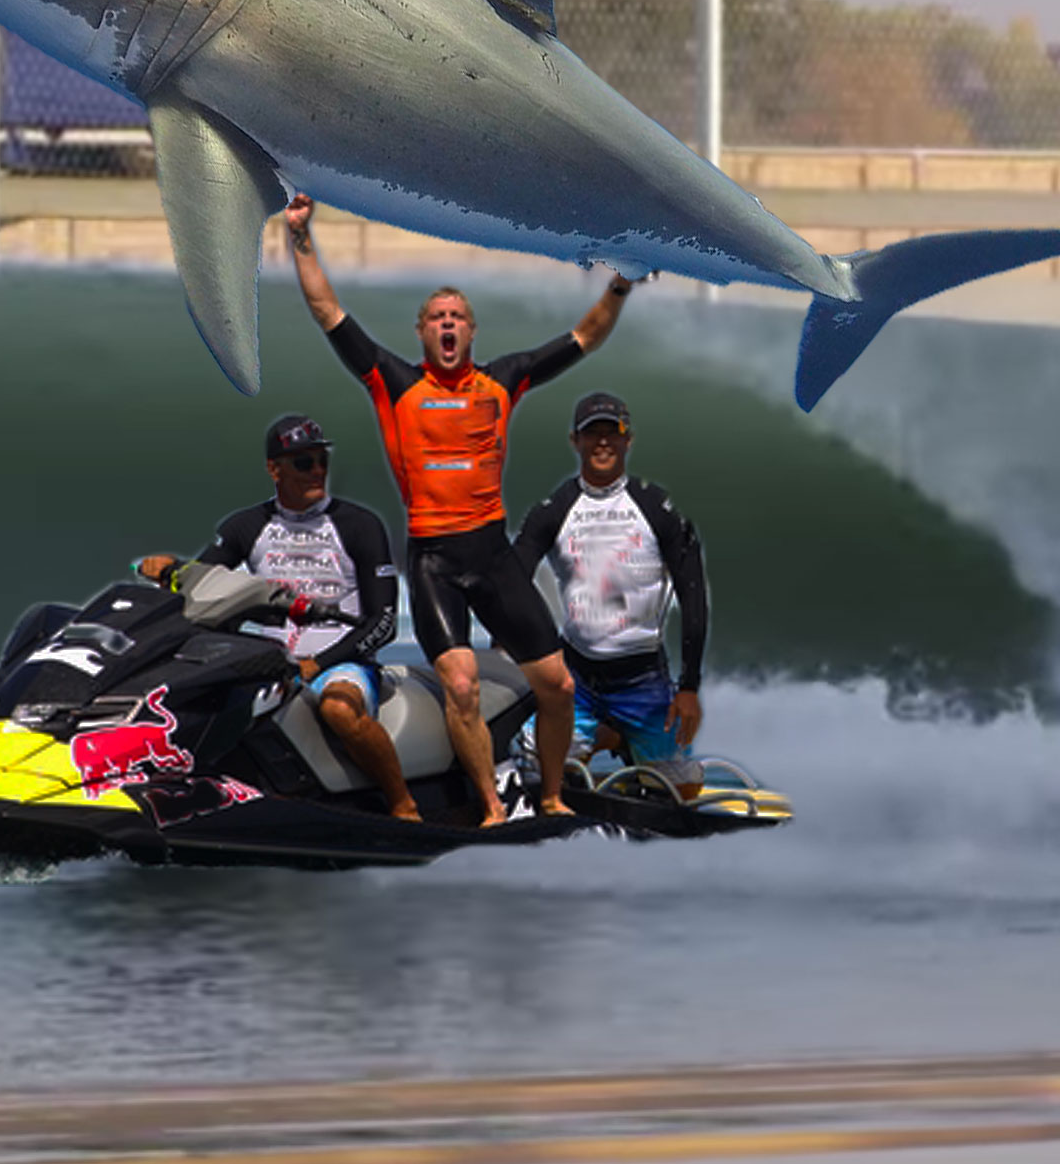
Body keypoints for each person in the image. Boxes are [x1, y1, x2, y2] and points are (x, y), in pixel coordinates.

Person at [283, 193, 637, 825]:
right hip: (434, 561)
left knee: (556, 686)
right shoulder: (394, 381)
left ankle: (551, 796)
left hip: (492, 555)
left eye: (458, 317)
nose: (448, 324)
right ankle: (491, 808)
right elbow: (326, 310)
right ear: (422, 333)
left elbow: (586, 335)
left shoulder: (504, 380)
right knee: (462, 682)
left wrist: (622, 282)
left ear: (472, 332)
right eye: (437, 317)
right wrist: (301, 237)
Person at [134, 413, 420, 821]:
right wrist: (169, 570)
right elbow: (200, 587)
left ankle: (403, 805)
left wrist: (318, 664)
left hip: (340, 660)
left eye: (322, 460)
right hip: (265, 660)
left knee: (338, 709)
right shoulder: (244, 526)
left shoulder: (359, 525)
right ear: (275, 469)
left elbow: (385, 622)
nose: (317, 471)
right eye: (304, 463)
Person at [512, 391, 710, 802]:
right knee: (533, 766)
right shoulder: (554, 509)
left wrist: (688, 687)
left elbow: (693, 595)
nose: (602, 441)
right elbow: (512, 579)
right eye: (591, 433)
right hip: (577, 678)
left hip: (643, 680)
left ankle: (625, 734)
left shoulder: (657, 507)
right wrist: (514, 637)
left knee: (683, 793)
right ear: (575, 441)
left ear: (627, 440)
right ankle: (606, 735)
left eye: (612, 432)